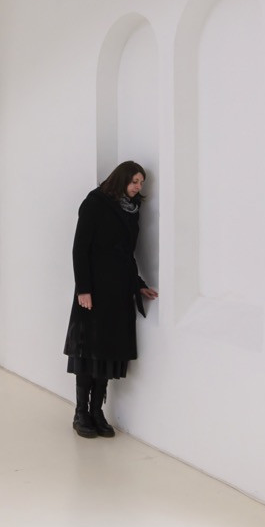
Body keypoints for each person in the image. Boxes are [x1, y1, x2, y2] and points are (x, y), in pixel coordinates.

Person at [64, 160, 159, 438]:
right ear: (121, 179)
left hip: (118, 291)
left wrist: (138, 284)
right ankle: (81, 413)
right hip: (94, 290)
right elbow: (80, 248)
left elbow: (126, 253)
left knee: (108, 352)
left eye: (141, 182)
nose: (138, 187)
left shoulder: (133, 209)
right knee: (88, 350)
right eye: (134, 181)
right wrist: (83, 289)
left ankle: (97, 411)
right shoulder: (95, 203)